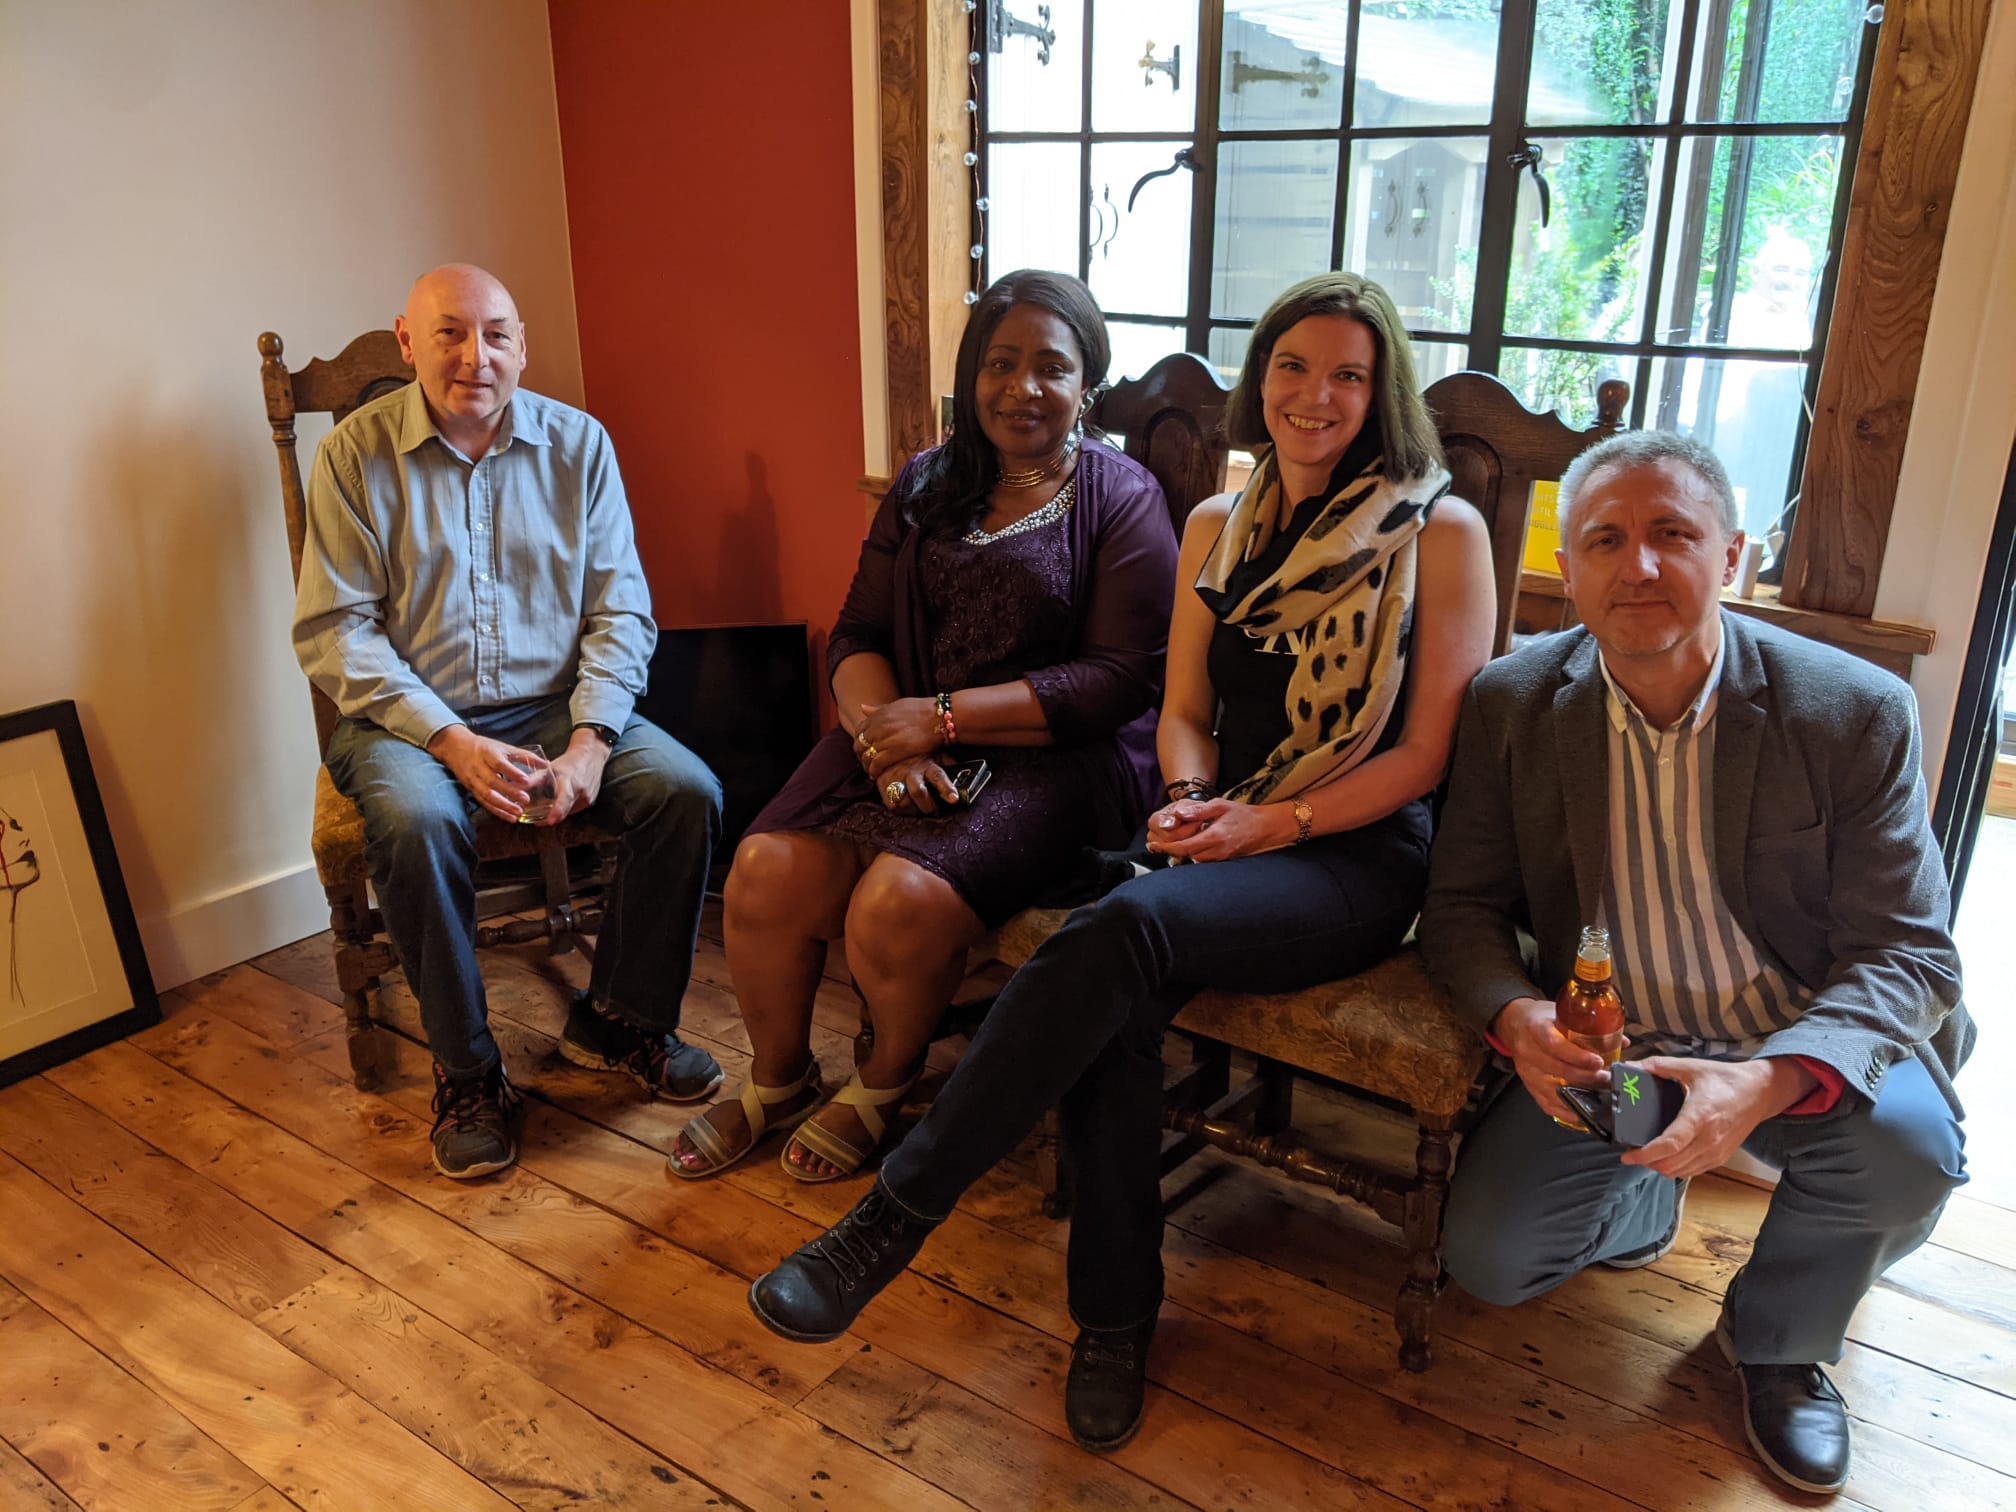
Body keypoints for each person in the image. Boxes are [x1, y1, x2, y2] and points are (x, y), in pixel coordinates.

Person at [743, 271, 1496, 1450]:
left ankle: (895, 1215)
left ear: (1381, 390)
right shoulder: (1219, 523)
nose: (1315, 395)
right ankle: (1114, 1318)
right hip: (1222, 827)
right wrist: (1193, 801)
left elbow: (1428, 754)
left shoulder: (1442, 531)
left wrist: (1267, 826)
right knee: (1115, 997)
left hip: (1353, 855)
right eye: (1293, 368)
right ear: (1261, 381)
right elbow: (1182, 710)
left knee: (1124, 929)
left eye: (1348, 375)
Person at [1419, 430, 1970, 1496]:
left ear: (1730, 558)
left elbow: (1909, 950)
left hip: (1793, 1038)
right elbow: (1462, 910)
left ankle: (1779, 1345)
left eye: (1672, 534)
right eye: (1605, 540)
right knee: (1492, 1261)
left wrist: (1763, 1082)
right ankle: (1648, 1200)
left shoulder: (1852, 711)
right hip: (1622, 1062)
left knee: (1909, 1151)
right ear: (1566, 569)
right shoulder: (1510, 702)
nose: (1638, 566)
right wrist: (1517, 1018)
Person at [666, 269, 1177, 1185]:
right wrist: (879, 742)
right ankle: (779, 1078)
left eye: (1051, 367)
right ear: (970, 373)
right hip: (900, 728)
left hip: (1057, 755)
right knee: (764, 870)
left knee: (894, 902)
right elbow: (858, 634)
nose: (1022, 387)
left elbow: (1117, 681)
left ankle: (881, 1085)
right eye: (1000, 363)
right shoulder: (924, 482)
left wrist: (938, 721)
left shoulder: (1121, 496)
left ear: (1087, 383)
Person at [294, 263, 724, 1181]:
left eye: (496, 335)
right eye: (449, 332)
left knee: (685, 792)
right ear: (407, 342)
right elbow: (337, 632)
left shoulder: (581, 446)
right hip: (406, 719)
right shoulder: (353, 457)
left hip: (554, 706)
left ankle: (619, 1022)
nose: (475, 356)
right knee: (416, 821)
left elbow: (621, 610)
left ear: (522, 345)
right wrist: (450, 741)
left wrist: (591, 742)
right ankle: (468, 1073)